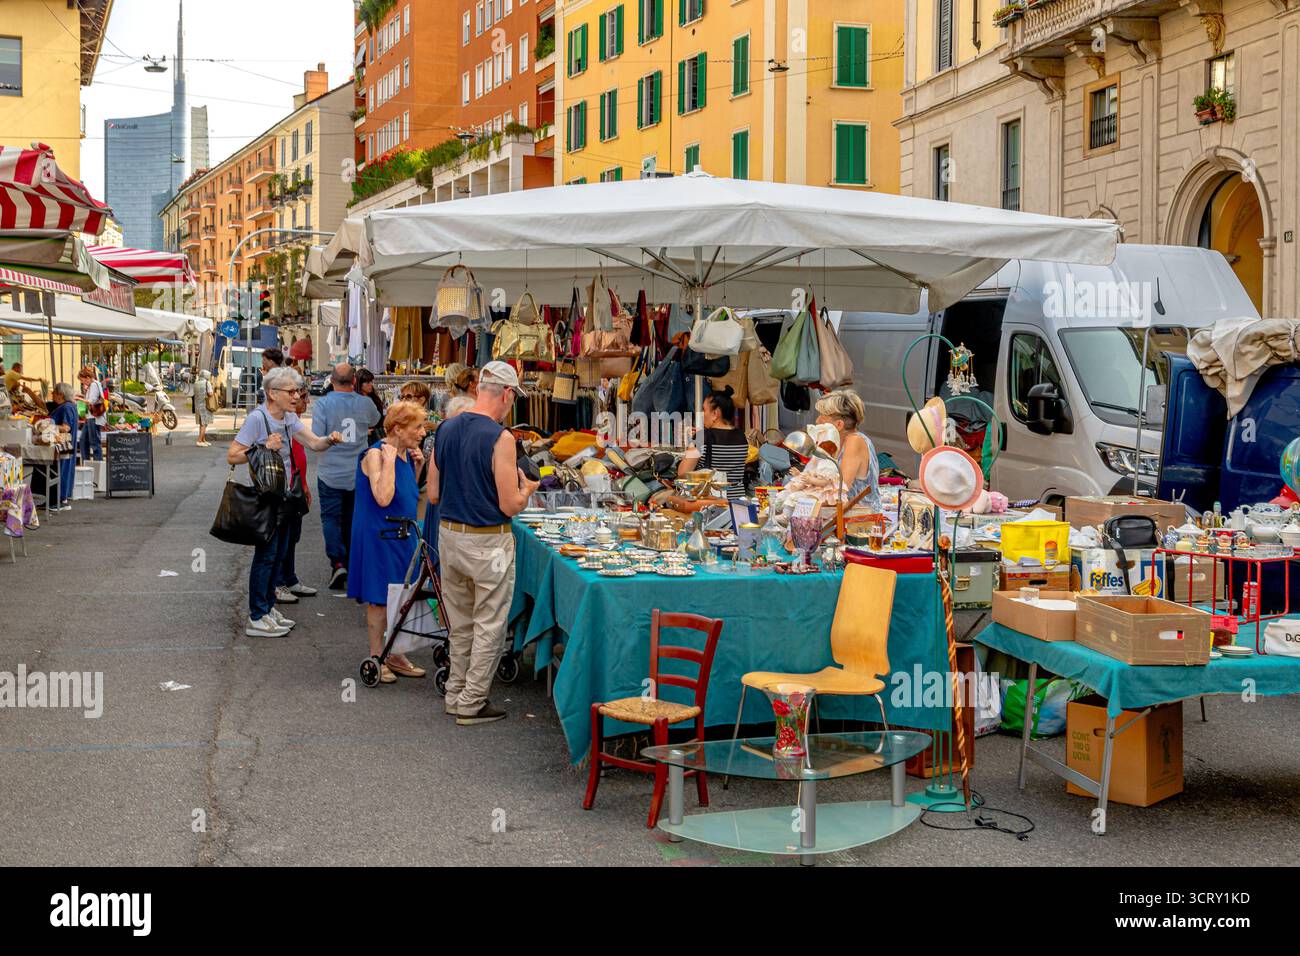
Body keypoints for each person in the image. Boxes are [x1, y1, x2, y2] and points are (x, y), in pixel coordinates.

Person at [429, 362, 539, 725]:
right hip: (487, 540)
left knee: (460, 624)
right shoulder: (500, 437)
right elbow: (510, 504)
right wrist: (527, 491)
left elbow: (432, 493)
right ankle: (472, 702)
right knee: (489, 623)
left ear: (480, 388)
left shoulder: (445, 427)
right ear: (507, 394)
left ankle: (455, 693)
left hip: (449, 535)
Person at [227, 366, 342, 638]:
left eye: (298, 391)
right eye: (291, 392)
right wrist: (263, 446)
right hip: (267, 498)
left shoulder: (289, 418)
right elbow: (233, 455)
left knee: (277, 555)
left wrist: (330, 440)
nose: (296, 396)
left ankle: (267, 609)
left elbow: (313, 444)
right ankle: (257, 615)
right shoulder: (257, 419)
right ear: (272, 393)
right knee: (266, 557)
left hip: (287, 497)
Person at [347, 400, 428, 683]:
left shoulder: (406, 454)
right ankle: (377, 656)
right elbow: (383, 497)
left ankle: (395, 653)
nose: (422, 432)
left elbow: (407, 494)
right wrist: (392, 460)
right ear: (397, 428)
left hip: (402, 533)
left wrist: (417, 468)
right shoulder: (376, 454)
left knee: (403, 594)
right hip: (380, 535)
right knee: (380, 598)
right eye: (416, 427)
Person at [311, 363, 381, 590]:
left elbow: (317, 436)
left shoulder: (322, 404)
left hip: (330, 470)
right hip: (358, 471)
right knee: (353, 517)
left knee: (331, 518)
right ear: (354, 382)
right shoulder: (365, 403)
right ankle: (351, 562)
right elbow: (375, 420)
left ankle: (338, 562)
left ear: (332, 380)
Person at [276, 385, 318, 605]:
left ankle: (290, 578)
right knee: (283, 538)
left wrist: (304, 485)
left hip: (297, 488)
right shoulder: (286, 424)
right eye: (303, 398)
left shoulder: (296, 424)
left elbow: (300, 459)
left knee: (292, 538)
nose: (306, 402)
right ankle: (279, 582)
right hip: (287, 491)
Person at [814, 389, 882, 515]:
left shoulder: (854, 441)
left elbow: (839, 493)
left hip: (861, 520)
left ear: (839, 424)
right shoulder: (837, 442)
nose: (817, 421)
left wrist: (805, 501)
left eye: (821, 418)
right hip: (841, 515)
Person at [677, 386, 750, 500]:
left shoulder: (702, 437)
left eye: (704, 410)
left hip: (711, 502)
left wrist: (692, 443)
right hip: (737, 500)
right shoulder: (741, 436)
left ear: (715, 413)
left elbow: (683, 472)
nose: (702, 414)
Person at [48, 383, 79, 511]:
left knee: (62, 471)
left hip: (63, 445)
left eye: (54, 392)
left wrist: (47, 427)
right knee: (65, 471)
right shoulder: (71, 406)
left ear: (60, 394)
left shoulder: (66, 407)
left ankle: (59, 501)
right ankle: (60, 500)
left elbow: (66, 427)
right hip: (67, 445)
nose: (52, 395)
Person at [76, 367, 106, 463]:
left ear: (88, 377)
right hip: (90, 417)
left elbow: (91, 401)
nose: (82, 383)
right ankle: (87, 463)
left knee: (94, 443)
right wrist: (82, 397)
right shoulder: (91, 386)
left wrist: (78, 399)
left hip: (94, 418)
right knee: (83, 440)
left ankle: (98, 465)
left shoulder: (94, 385)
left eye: (82, 380)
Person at [356, 368, 386, 444]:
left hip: (378, 434)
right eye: (367, 382)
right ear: (359, 383)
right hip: (363, 439)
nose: (371, 384)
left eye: (371, 381)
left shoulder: (373, 397)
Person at [193, 370, 215, 446]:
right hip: (205, 406)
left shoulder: (196, 383)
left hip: (197, 406)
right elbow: (210, 393)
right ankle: (199, 440)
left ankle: (203, 440)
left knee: (201, 423)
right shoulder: (207, 383)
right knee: (204, 424)